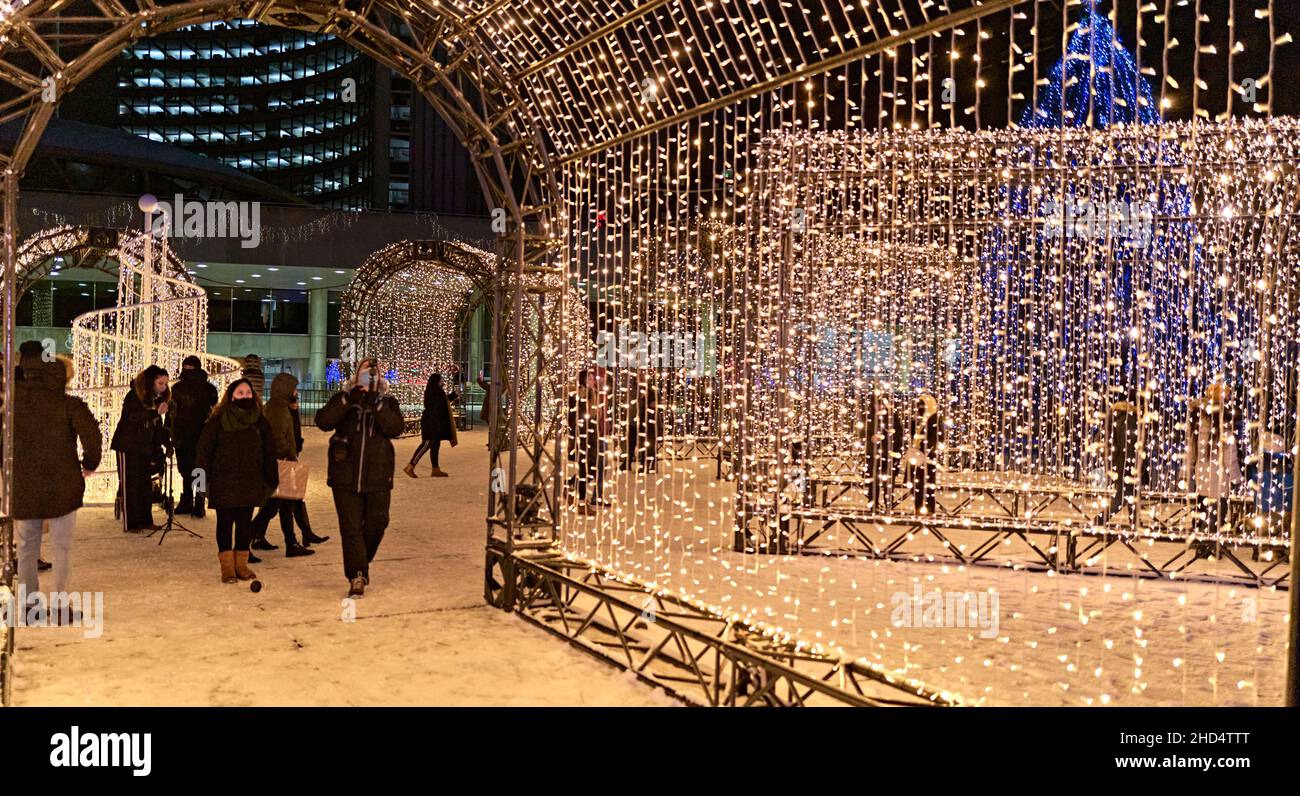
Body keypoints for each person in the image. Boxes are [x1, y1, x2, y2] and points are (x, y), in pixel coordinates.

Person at [7, 342, 101, 622]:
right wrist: (88, 465)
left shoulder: (14, 405)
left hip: (24, 482)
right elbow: (92, 438)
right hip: (63, 484)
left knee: (26, 548)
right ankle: (60, 608)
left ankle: (27, 607)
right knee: (62, 548)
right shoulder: (70, 404)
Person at [316, 357, 404, 597]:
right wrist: (347, 400)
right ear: (357, 374)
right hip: (344, 475)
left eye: (374, 371)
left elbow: (395, 428)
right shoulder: (344, 399)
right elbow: (323, 421)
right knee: (351, 527)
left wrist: (377, 404)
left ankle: (360, 561)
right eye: (366, 369)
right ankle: (357, 574)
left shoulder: (387, 402)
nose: (370, 373)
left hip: (378, 475)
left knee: (378, 522)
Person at [196, 379, 279, 584]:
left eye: (247, 393)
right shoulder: (218, 420)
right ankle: (227, 568)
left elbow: (270, 451)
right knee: (224, 523)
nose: (244, 396)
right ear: (231, 396)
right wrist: (200, 480)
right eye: (240, 393)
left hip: (250, 480)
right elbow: (204, 451)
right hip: (223, 480)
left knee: (244, 524)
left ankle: (241, 565)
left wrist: (271, 478)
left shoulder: (260, 421)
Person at [250, 373, 315, 557]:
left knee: (285, 504)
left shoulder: (281, 406)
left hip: (282, 460)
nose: (296, 391)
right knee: (275, 505)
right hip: (281, 462)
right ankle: (249, 535)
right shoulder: (278, 409)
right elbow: (277, 436)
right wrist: (288, 454)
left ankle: (291, 543)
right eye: (294, 388)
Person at [111, 364, 170, 532]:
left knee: (145, 485)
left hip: (144, 448)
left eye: (165, 384)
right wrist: (155, 413)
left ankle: (145, 520)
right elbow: (133, 417)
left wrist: (164, 442)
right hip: (128, 446)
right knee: (131, 485)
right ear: (151, 382)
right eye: (160, 383)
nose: (164, 387)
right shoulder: (134, 396)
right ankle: (131, 523)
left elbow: (157, 426)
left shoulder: (157, 400)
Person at [168, 354, 218, 518]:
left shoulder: (204, 389)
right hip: (187, 435)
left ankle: (196, 500)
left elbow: (211, 412)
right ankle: (191, 500)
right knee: (190, 469)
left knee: (195, 469)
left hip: (195, 435)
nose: (188, 371)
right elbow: (172, 412)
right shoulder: (179, 389)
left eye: (190, 368)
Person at [1192, 382, 1241, 543]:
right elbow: (1230, 459)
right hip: (1219, 481)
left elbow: (1190, 453)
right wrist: (1237, 479)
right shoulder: (1225, 428)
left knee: (1203, 510)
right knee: (1216, 514)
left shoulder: (1197, 426)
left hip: (1201, 478)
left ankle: (1200, 543)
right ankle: (1210, 546)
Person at [1093, 387, 1142, 528]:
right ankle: (1099, 521)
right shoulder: (1129, 418)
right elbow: (1129, 444)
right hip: (1126, 462)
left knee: (1133, 494)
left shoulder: (1113, 416)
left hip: (1115, 462)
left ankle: (1136, 523)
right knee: (1123, 496)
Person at [567, 369, 605, 515]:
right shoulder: (578, 395)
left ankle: (569, 485)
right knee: (585, 470)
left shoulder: (592, 395)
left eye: (592, 378)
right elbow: (574, 419)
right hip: (582, 438)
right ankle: (582, 502)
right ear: (582, 380)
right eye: (589, 378)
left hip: (592, 438)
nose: (592, 381)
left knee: (592, 470)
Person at [405, 373, 458, 478]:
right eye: (441, 380)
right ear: (437, 381)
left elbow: (443, 402)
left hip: (435, 423)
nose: (443, 381)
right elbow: (439, 405)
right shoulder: (435, 392)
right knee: (426, 444)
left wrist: (453, 395)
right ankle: (410, 466)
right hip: (432, 424)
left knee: (435, 446)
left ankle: (435, 469)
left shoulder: (435, 391)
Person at [895, 393, 940, 515]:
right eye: (918, 405)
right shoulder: (919, 419)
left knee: (926, 484)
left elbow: (935, 439)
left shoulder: (933, 419)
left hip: (926, 458)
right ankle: (919, 508)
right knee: (917, 484)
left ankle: (927, 509)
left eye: (923, 405)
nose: (920, 408)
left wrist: (925, 448)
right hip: (916, 456)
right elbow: (911, 434)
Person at [623, 375, 660, 473]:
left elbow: (653, 405)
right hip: (637, 421)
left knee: (648, 443)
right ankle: (631, 463)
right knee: (635, 443)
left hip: (647, 422)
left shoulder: (650, 391)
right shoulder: (633, 390)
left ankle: (648, 465)